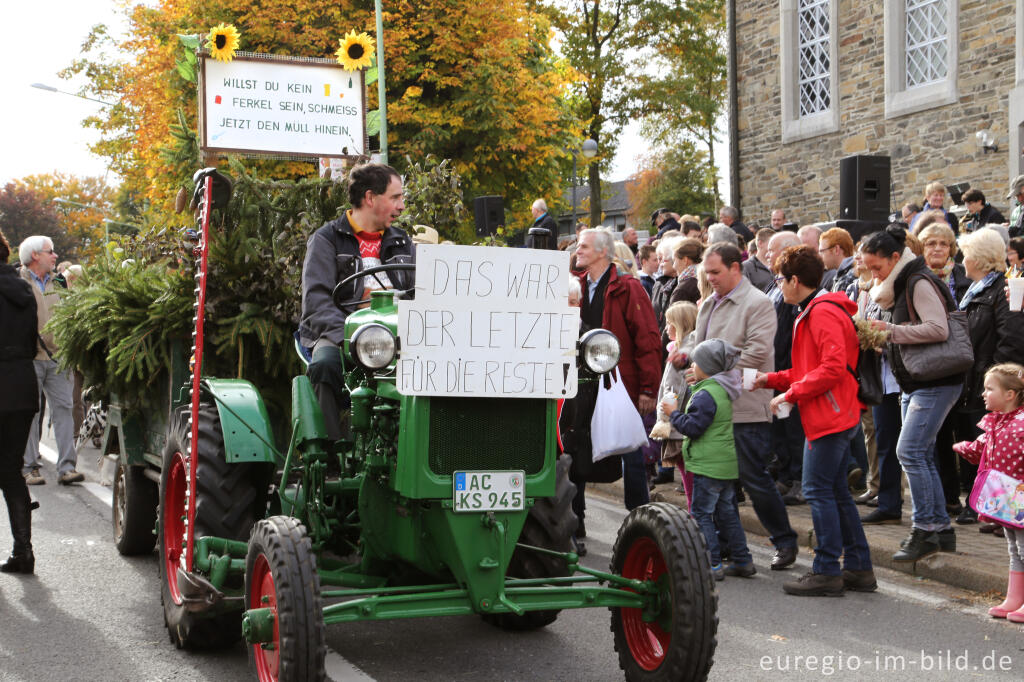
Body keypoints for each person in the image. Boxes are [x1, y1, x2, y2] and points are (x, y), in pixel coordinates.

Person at [756, 245, 874, 596]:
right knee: (835, 492)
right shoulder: (817, 309)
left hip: (830, 415)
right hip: (832, 412)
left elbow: (831, 369)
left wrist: (789, 394)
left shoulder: (821, 312)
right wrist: (773, 380)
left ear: (794, 280)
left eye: (779, 278)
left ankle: (826, 570)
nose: (778, 285)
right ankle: (857, 567)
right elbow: (812, 368)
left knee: (818, 490)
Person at [693, 243, 799, 569]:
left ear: (735, 268)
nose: (709, 278)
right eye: (706, 272)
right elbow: (700, 348)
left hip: (746, 407)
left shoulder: (758, 303)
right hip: (715, 406)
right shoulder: (708, 303)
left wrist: (708, 371)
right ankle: (731, 550)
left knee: (753, 477)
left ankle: (784, 541)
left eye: (715, 272)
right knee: (721, 482)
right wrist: (685, 357)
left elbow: (756, 353)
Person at [862, 224, 963, 560]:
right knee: (919, 454)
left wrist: (889, 332)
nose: (874, 274)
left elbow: (937, 328)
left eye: (877, 267)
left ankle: (924, 530)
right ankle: (941, 530)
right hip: (920, 380)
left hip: (935, 379)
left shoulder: (917, 280)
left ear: (895, 257)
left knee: (911, 453)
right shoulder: (904, 281)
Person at [299, 163, 412, 441]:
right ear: (370, 198)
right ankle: (330, 456)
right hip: (342, 334)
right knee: (325, 367)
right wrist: (352, 339)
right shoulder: (327, 239)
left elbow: (416, 293)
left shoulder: (402, 241)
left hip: (398, 335)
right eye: (395, 197)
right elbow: (316, 301)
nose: (402, 206)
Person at [574, 229, 661, 516]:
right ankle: (576, 521)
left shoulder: (628, 288)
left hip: (619, 384)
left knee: (630, 451)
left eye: (584, 246)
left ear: (602, 252)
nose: (578, 250)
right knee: (576, 448)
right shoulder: (577, 286)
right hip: (579, 383)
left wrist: (648, 389)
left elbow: (647, 340)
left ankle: (639, 519)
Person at [944, 229, 1024, 525]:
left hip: (988, 381)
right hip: (972, 379)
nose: (962, 260)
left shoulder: (1000, 291)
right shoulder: (976, 289)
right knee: (972, 438)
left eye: (965, 254)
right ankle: (977, 502)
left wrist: (995, 382)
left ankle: (994, 507)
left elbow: (1011, 340)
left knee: (990, 445)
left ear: (979, 258)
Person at [662, 338, 755, 580]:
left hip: (708, 465)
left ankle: (710, 563)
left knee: (702, 513)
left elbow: (693, 427)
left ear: (709, 367)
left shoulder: (706, 395)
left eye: (696, 363)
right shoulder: (719, 389)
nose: (691, 367)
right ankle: (743, 560)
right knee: (727, 513)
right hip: (724, 465)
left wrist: (674, 414)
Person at [953, 364, 1024, 619]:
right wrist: (961, 447)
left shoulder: (1020, 424)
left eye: (989, 388)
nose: (983, 393)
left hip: (1020, 499)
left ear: (1010, 395)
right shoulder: (995, 424)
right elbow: (978, 447)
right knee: (1014, 548)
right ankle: (1014, 599)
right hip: (1004, 500)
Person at [18, 235, 83, 486]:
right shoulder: (18, 281)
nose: (55, 256)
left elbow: (70, 315)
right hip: (29, 358)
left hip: (59, 358)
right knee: (31, 413)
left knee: (64, 410)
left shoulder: (59, 282)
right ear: (35, 256)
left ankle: (67, 468)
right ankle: (30, 467)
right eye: (50, 251)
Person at [0, 230, 39, 573]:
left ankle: (22, 552)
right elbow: (30, 340)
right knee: (11, 471)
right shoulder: (23, 289)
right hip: (23, 385)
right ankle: (23, 552)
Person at [653, 302, 698, 492]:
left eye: (670, 323)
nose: (665, 328)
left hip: (678, 426)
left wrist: (664, 421)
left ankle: (695, 516)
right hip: (681, 424)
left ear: (680, 325)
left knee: (690, 482)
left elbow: (672, 391)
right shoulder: (680, 350)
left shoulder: (681, 356)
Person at [915, 221, 969, 303]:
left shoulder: (966, 273)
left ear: (950, 249)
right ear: (922, 248)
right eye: (931, 244)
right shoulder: (913, 277)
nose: (937, 248)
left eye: (943, 244)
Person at [818, 227, 855, 293]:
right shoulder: (844, 274)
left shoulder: (850, 277)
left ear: (836, 249)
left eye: (822, 251)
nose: (819, 256)